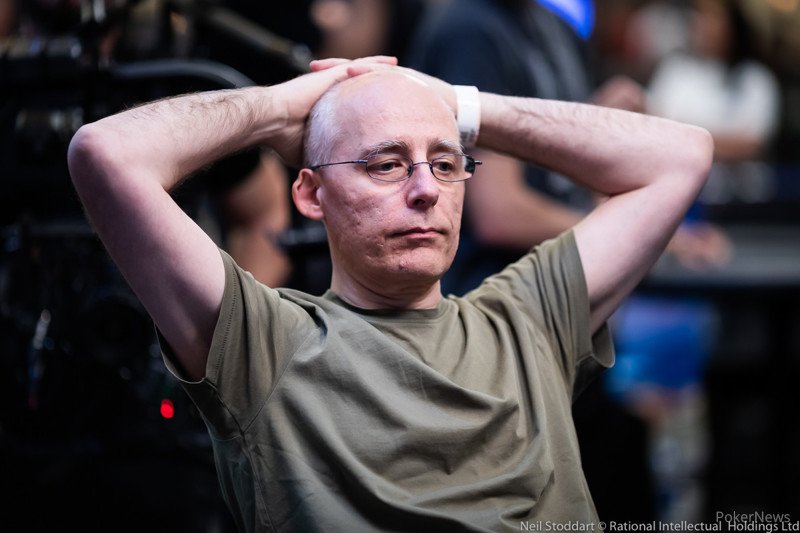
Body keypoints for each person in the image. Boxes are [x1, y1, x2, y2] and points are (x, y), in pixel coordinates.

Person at [67, 56, 712, 530]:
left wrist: (458, 105)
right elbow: (106, 153)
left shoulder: (527, 318)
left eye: (445, 163)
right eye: (386, 164)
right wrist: (281, 108)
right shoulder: (264, 342)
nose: (426, 189)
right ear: (311, 194)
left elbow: (680, 155)